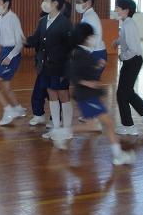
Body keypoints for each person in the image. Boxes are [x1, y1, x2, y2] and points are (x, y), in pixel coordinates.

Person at [55, 23, 135, 165]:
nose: (92, 38)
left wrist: (97, 66)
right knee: (109, 123)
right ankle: (118, 156)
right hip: (87, 96)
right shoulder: (80, 54)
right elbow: (72, 74)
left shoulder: (79, 52)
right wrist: (87, 82)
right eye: (91, 36)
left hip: (87, 96)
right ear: (85, 37)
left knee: (92, 126)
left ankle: (63, 132)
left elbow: (81, 70)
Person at [25, 0, 73, 141]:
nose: (43, 2)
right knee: (52, 95)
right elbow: (36, 40)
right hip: (45, 66)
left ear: (55, 3)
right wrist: (24, 41)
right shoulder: (43, 21)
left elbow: (70, 48)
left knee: (63, 96)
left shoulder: (65, 23)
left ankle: (67, 129)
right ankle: (56, 128)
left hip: (60, 67)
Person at [112, 0, 143, 136]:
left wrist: (122, 57)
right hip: (132, 61)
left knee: (122, 94)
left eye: (118, 8)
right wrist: (117, 41)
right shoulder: (126, 23)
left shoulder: (128, 25)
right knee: (127, 91)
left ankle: (128, 126)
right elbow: (125, 39)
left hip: (132, 61)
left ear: (126, 10)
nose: (115, 10)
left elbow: (132, 49)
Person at [0, 0, 27, 126]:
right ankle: (18, 109)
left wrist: (10, 56)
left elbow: (20, 42)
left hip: (12, 54)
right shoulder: (0, 19)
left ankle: (8, 111)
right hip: (4, 53)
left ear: (6, 3)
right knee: (5, 85)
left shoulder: (13, 18)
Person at [74, 0, 107, 130]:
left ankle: (95, 120)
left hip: (95, 54)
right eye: (76, 2)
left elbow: (94, 40)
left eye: (79, 2)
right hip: (93, 54)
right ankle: (92, 117)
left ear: (88, 3)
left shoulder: (91, 18)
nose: (77, 5)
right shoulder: (87, 16)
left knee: (89, 87)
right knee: (88, 87)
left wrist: (83, 57)